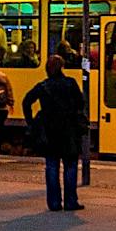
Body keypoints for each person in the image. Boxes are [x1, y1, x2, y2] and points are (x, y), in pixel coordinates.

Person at [23, 55, 85, 212]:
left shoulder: (43, 86)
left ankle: (54, 203)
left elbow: (26, 101)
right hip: (69, 130)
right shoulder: (70, 83)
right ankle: (71, 201)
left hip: (50, 131)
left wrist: (31, 122)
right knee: (70, 165)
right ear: (62, 67)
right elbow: (80, 103)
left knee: (52, 165)